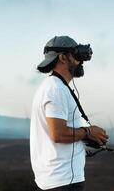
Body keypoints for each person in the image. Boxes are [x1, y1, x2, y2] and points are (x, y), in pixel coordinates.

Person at [30, 36, 109, 191]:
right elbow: (58, 134)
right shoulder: (56, 90)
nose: (81, 61)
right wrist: (88, 132)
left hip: (57, 178)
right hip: (63, 180)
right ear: (63, 58)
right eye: (76, 56)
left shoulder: (54, 86)